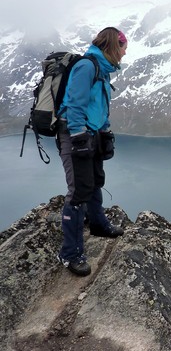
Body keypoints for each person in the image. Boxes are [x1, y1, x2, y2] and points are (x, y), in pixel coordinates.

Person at [56, 27, 127, 276]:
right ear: (112, 46)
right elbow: (74, 103)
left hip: (93, 133)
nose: (125, 52)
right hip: (75, 135)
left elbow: (99, 106)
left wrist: (104, 131)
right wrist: (78, 137)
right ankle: (70, 253)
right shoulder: (88, 66)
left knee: (95, 181)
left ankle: (98, 224)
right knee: (78, 192)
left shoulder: (103, 70)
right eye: (123, 46)